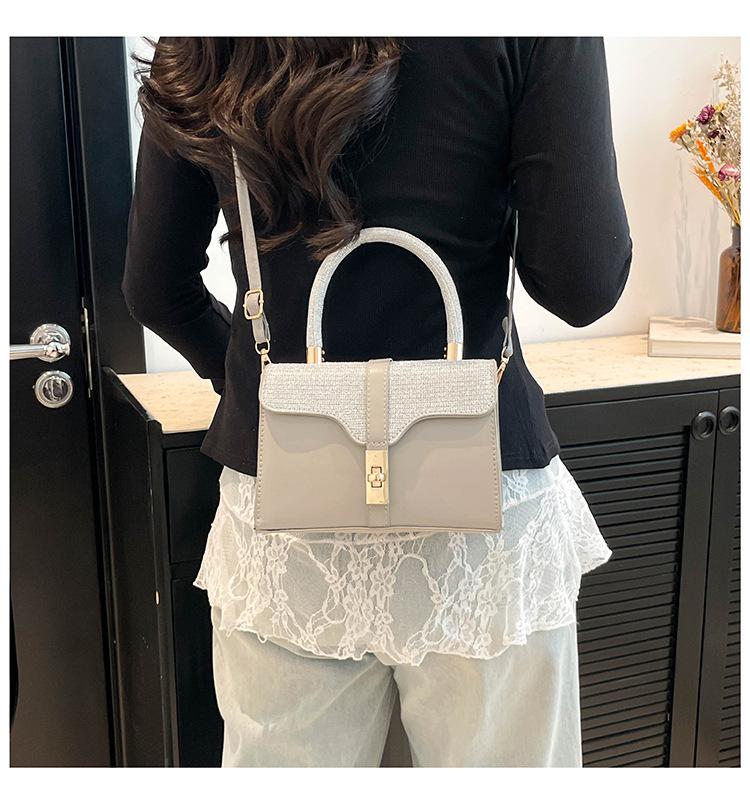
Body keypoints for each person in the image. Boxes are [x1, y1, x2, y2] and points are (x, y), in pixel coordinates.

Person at [123, 36, 632, 767]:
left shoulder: (211, 33)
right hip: (485, 512)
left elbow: (155, 286)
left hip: (286, 526)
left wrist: (270, 395)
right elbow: (582, 284)